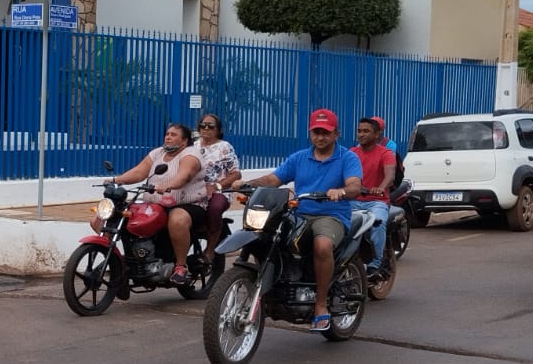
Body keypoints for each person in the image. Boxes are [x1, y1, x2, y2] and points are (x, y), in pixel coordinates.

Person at [228, 108, 362, 331]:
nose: (320, 137)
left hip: (331, 215)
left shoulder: (347, 158)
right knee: (269, 237)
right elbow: (273, 179)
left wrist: (341, 191)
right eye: (316, 132)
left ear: (336, 134)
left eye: (326, 132)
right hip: (299, 214)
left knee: (322, 245)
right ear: (310, 133)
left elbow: (355, 185)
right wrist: (248, 184)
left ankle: (320, 304)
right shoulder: (299, 157)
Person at [110, 122, 208, 284]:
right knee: (117, 216)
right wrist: (116, 180)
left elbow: (184, 175)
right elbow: (139, 172)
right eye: (167, 134)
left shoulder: (191, 154)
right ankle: (129, 262)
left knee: (177, 220)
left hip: (189, 204)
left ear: (184, 141)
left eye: (173, 135)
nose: (168, 137)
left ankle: (181, 266)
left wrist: (167, 185)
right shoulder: (158, 153)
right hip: (157, 204)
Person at [194, 112, 241, 272]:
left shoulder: (224, 147)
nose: (206, 129)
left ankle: (210, 250)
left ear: (218, 130)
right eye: (203, 125)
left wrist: (216, 186)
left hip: (220, 191)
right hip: (195, 191)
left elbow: (236, 174)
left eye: (211, 126)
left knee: (214, 208)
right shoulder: (193, 146)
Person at [352, 117, 396, 272]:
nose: (361, 134)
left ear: (377, 134)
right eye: (359, 131)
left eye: (366, 131)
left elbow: (390, 175)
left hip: (377, 202)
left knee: (378, 222)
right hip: (353, 200)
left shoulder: (386, 153)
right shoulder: (352, 153)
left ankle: (376, 262)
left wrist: (381, 188)